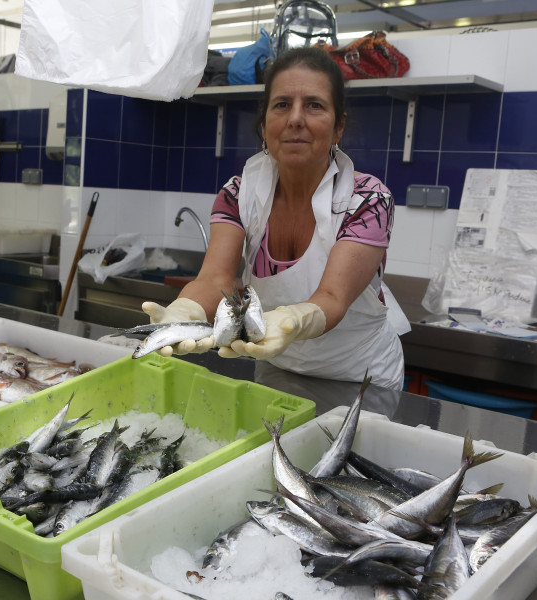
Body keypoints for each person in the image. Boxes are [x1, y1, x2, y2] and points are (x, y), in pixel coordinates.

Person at [141, 47, 410, 390]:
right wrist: (185, 311)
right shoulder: (239, 193)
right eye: (282, 104)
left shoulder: (367, 199)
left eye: (314, 105)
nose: (295, 118)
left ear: (338, 127)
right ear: (265, 123)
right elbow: (215, 278)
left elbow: (332, 297)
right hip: (275, 366)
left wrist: (293, 319)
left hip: (360, 378)